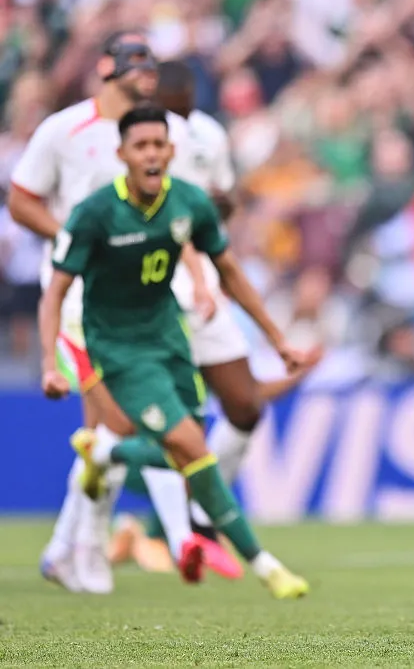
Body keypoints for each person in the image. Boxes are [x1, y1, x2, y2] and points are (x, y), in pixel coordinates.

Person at [38, 104, 311, 599]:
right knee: (193, 446)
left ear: (171, 151)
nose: (151, 155)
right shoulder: (96, 213)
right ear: (121, 154)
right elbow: (55, 291)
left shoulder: (188, 203)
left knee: (180, 452)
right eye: (140, 146)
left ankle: (106, 451)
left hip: (169, 337)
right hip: (119, 350)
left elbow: (230, 271)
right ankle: (265, 565)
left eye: (158, 145)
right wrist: (47, 364)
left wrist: (276, 338)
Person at [103, 60, 320, 578]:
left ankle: (182, 520)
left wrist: (277, 340)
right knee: (178, 428)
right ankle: (158, 522)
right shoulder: (127, 157)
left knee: (242, 405)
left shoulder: (206, 137)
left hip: (204, 292)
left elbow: (215, 217)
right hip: (154, 300)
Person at [8, 31, 203, 593]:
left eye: (150, 63)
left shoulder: (166, 132)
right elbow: (22, 198)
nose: (145, 71)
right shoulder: (63, 130)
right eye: (133, 62)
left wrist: (192, 272)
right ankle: (101, 546)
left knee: (111, 429)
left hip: (143, 299)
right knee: (120, 421)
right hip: (77, 299)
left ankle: (66, 548)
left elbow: (176, 208)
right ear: (106, 69)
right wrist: (72, 239)